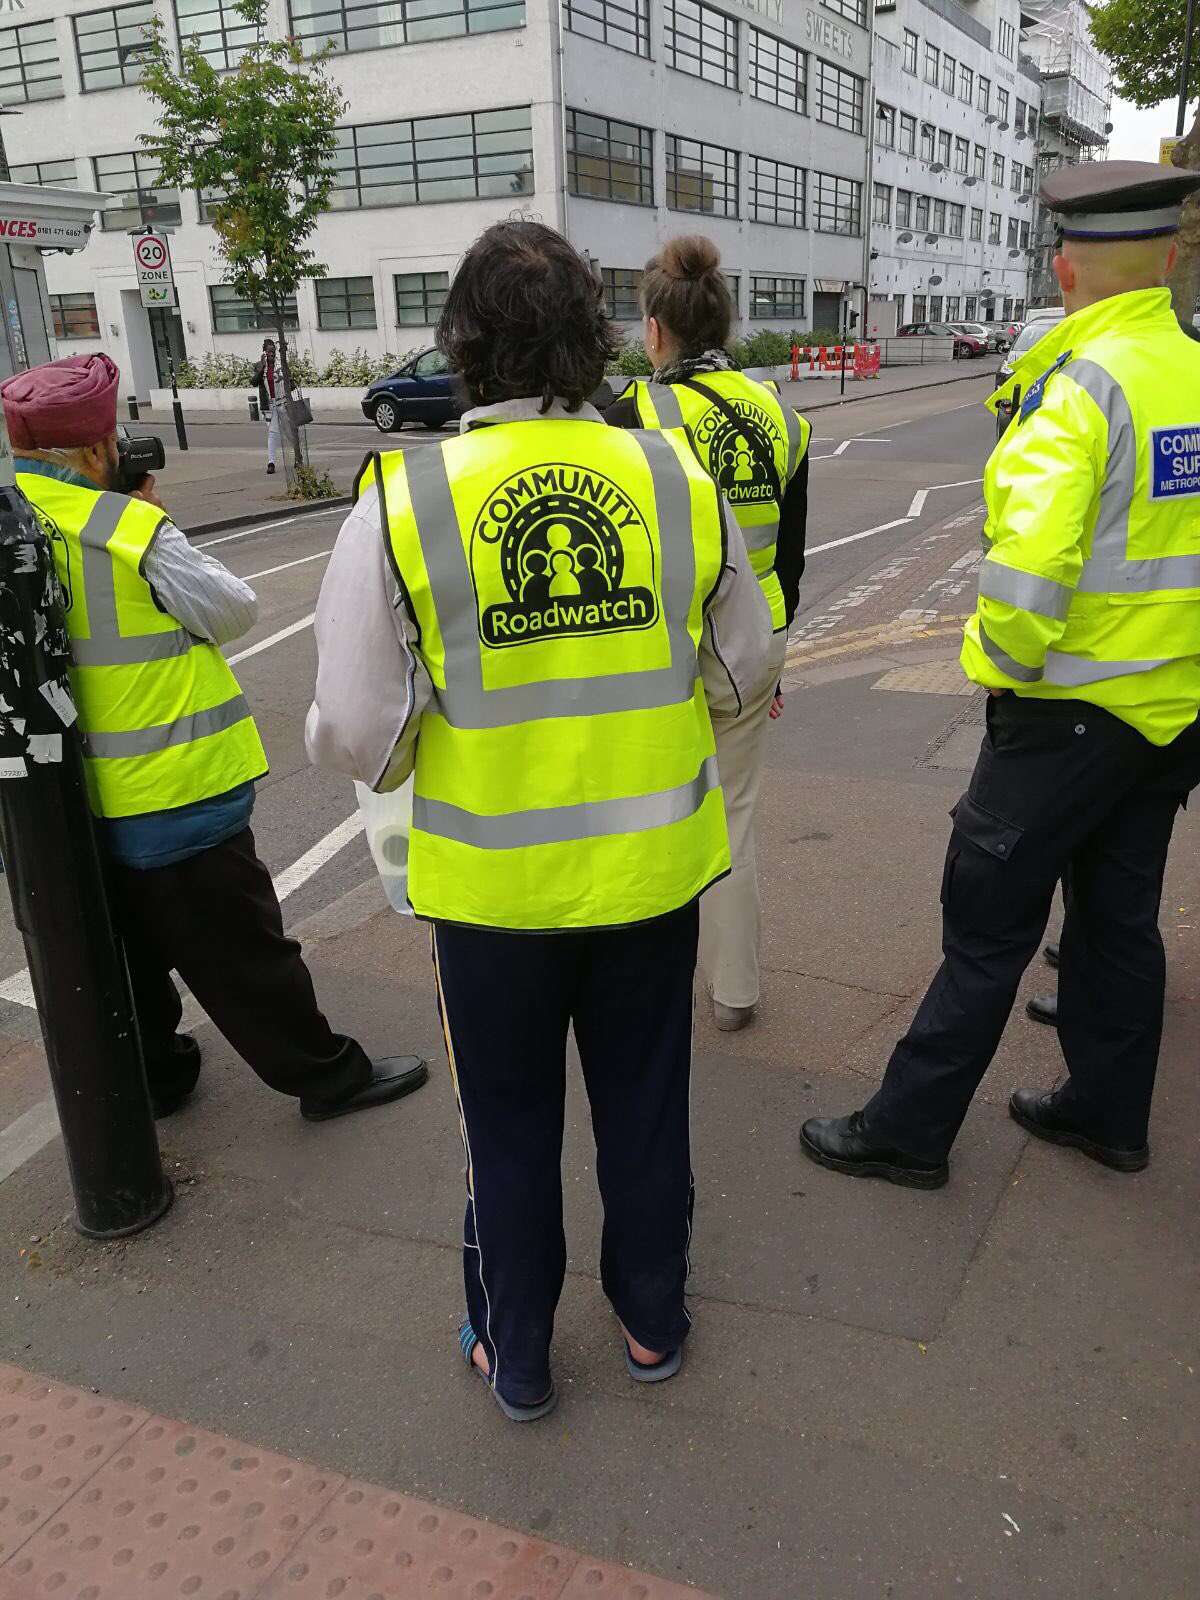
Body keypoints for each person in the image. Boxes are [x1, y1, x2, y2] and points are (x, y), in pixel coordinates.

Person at [307, 219, 772, 1420]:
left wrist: (421, 743)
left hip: (490, 896)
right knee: (645, 1107)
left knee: (506, 1130)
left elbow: (358, 726)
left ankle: (516, 1354)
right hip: (649, 877)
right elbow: (743, 673)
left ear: (462, 350)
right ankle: (652, 1321)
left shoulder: (404, 504)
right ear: (598, 342)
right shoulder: (674, 480)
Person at [801, 159, 1200, 1187]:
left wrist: (999, 676)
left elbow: (1024, 590)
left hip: (1065, 711)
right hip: (1170, 712)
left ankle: (909, 1126)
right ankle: (1107, 1113)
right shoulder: (1192, 371)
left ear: (1065, 270)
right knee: (1118, 915)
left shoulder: (1078, 391)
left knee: (987, 920)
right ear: (1168, 259)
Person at [2, 353, 428, 1123]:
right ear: (96, 452)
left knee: (126, 956)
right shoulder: (122, 525)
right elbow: (232, 609)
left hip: (66, 808)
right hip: (171, 790)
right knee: (247, 955)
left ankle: (160, 1078)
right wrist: (147, 517)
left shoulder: (12, 521)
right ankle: (327, 1078)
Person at [606, 235, 810, 1032]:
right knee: (735, 816)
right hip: (752, 646)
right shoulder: (780, 417)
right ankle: (734, 994)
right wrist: (772, 667)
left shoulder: (630, 418)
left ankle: (640, 988)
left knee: (647, 815)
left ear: (655, 329)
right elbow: (788, 561)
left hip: (662, 652)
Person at [252, 339, 281, 476]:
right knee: (272, 433)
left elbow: (290, 383)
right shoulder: (259, 366)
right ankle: (271, 462)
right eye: (269, 351)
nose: (272, 354)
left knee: (289, 431)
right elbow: (254, 382)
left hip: (283, 401)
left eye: (273, 351)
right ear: (264, 352)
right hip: (269, 404)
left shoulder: (280, 365)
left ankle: (296, 458)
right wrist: (262, 367)